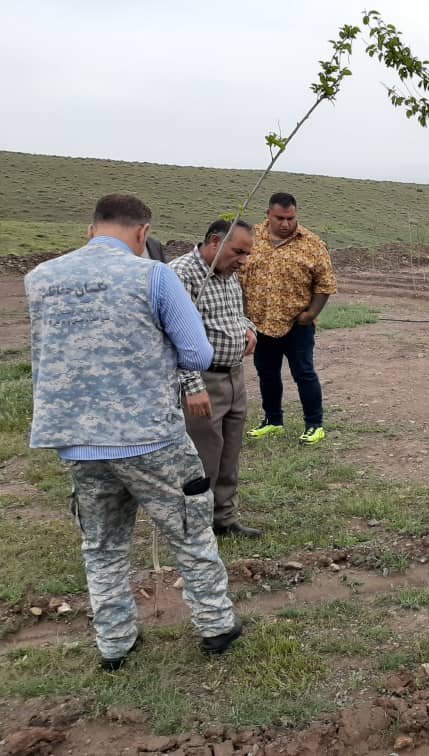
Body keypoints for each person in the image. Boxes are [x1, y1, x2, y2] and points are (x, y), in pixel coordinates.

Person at [25, 194, 242, 670]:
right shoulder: (154, 275)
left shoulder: (40, 278)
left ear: (91, 230)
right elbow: (198, 354)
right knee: (189, 529)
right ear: (144, 234)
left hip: (78, 441)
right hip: (149, 437)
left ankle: (115, 642)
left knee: (101, 545)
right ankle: (216, 625)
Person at [169, 219, 262, 538]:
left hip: (234, 377)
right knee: (202, 457)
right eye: (238, 252)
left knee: (229, 453)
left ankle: (224, 518)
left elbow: (234, 314)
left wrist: (248, 328)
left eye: (247, 254)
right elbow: (173, 337)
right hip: (203, 382)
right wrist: (193, 388)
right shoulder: (181, 274)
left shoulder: (228, 273)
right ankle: (195, 525)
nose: (243, 261)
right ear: (213, 242)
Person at [239, 192, 337, 446]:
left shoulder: (312, 243)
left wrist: (311, 313)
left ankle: (314, 424)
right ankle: (273, 421)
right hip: (260, 322)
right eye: (279, 218)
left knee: (304, 373)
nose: (285, 223)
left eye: (290, 218)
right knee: (266, 373)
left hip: (296, 324)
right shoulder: (252, 238)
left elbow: (325, 284)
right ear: (268, 215)